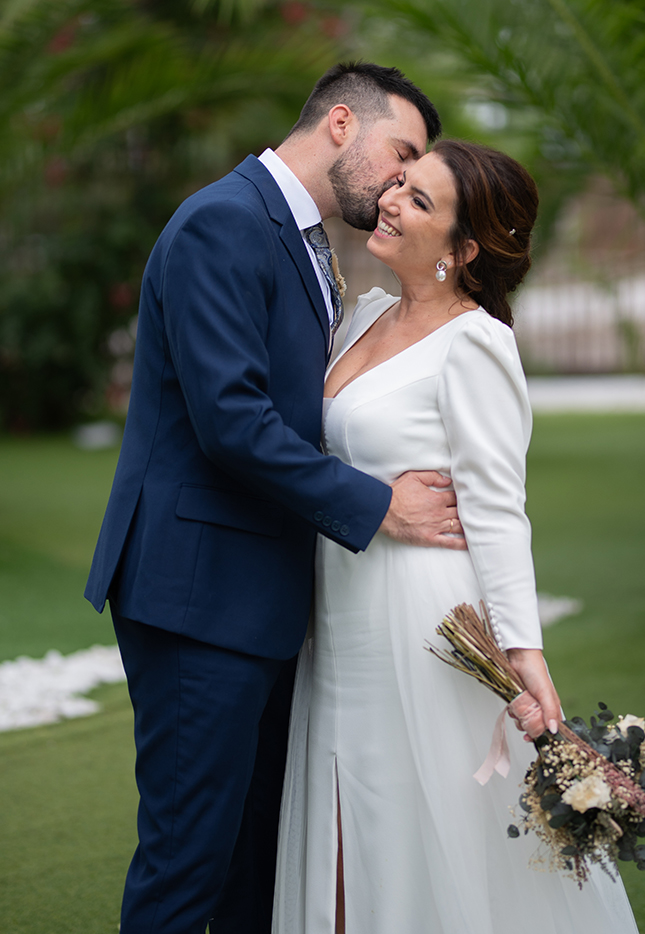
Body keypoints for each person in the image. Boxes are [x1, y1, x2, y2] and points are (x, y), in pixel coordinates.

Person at [84, 63, 466, 934]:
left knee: (258, 863)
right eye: (399, 154)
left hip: (258, 595)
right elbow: (233, 422)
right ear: (341, 123)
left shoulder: (307, 242)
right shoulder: (223, 223)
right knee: (190, 863)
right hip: (198, 595)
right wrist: (378, 505)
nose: (402, 180)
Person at [272, 141, 640, 933]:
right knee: (339, 819)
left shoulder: (477, 344)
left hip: (423, 624)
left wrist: (523, 651)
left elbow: (499, 508)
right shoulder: (362, 316)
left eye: (421, 201)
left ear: (463, 251)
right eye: (401, 183)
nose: (394, 200)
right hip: (338, 618)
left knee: (428, 829)